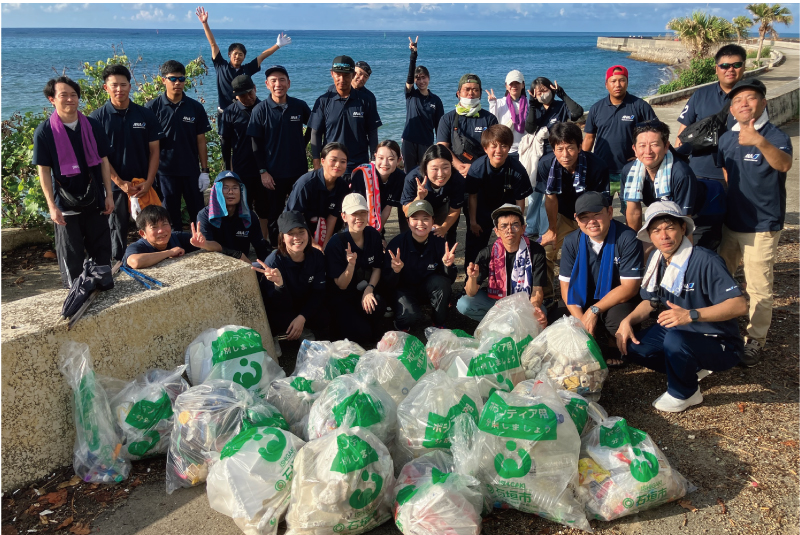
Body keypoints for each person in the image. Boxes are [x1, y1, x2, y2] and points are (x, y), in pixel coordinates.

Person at [616, 201, 747, 412]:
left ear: (683, 228)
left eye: (670, 228)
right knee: (632, 346)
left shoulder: (706, 260)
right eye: (656, 230)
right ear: (650, 235)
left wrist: (691, 315)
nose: (664, 236)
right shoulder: (656, 259)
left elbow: (739, 305)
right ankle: (691, 367)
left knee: (675, 340)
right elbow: (650, 301)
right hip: (678, 329)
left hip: (717, 339)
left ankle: (686, 392)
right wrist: (627, 321)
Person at [717, 78, 793, 367]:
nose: (743, 104)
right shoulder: (727, 138)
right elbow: (726, 171)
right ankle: (722, 328)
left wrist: (759, 141)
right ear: (732, 109)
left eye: (750, 98)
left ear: (763, 102)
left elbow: (784, 165)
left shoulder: (774, 135)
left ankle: (755, 341)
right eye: (737, 101)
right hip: (731, 223)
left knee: (758, 286)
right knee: (722, 278)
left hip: (762, 225)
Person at [34, 76, 114, 288]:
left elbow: (104, 161)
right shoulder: (44, 132)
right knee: (71, 253)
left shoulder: (92, 126)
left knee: (102, 248)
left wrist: (109, 194)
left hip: (95, 197)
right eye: (64, 95)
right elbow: (43, 170)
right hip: (65, 201)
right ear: (52, 99)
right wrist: (51, 206)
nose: (70, 99)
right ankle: (76, 291)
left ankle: (103, 286)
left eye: (74, 95)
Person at [555, 192, 644, 366]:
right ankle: (593, 336)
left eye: (597, 214)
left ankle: (612, 342)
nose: (591, 222)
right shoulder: (572, 241)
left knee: (619, 319)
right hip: (584, 296)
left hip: (618, 299)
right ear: (576, 219)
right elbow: (565, 286)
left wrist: (593, 311)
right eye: (584, 217)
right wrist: (581, 320)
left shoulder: (627, 238)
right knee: (557, 319)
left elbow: (630, 287)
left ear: (610, 212)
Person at [90, 64, 163, 262]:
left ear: (130, 87)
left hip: (144, 183)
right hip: (114, 187)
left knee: (152, 225)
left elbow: (154, 151)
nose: (119, 89)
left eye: (123, 85)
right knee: (117, 228)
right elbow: (99, 156)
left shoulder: (145, 115)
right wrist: (120, 182)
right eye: (114, 85)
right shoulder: (96, 119)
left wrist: (149, 181)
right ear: (106, 88)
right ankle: (118, 265)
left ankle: (156, 259)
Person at [537, 122, 610, 302]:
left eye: (570, 148)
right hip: (561, 213)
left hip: (588, 215)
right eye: (559, 149)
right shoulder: (546, 165)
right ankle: (546, 297)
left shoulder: (597, 166)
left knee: (596, 252)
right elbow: (550, 197)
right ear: (553, 149)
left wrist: (589, 226)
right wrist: (552, 229)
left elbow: (600, 203)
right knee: (544, 251)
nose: (565, 155)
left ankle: (596, 295)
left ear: (580, 147)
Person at [248, 65, 312, 245]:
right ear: (267, 84)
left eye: (282, 80)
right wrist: (263, 171)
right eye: (274, 81)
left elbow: (314, 127)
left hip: (298, 171)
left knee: (300, 211)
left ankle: (301, 245)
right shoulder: (260, 110)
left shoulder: (299, 106)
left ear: (289, 83)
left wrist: (303, 143)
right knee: (274, 214)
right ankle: (278, 249)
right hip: (272, 174)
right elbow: (255, 144)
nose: (278, 84)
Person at [144, 60, 212, 228]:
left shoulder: (195, 107)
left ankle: (202, 246)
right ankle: (173, 248)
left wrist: (205, 171)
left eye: (181, 79)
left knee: (198, 213)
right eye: (173, 79)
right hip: (164, 172)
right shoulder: (152, 108)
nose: (177, 83)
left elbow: (201, 141)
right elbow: (146, 144)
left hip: (191, 170)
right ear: (163, 81)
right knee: (169, 215)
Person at [458, 204, 548, 325]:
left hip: (524, 303)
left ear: (523, 228)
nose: (509, 230)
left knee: (540, 314)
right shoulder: (487, 253)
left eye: (515, 225)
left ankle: (510, 324)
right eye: (504, 226)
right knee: (464, 304)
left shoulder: (536, 251)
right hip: (496, 302)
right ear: (497, 231)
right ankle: (500, 324)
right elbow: (471, 292)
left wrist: (535, 307)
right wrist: (472, 278)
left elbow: (537, 290)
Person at [583, 65, 657, 211]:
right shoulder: (596, 108)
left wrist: (642, 156)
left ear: (627, 82)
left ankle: (631, 234)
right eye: (613, 81)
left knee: (631, 210)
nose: (618, 85)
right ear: (606, 84)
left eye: (622, 80)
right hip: (602, 170)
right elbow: (589, 138)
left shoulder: (640, 106)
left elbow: (655, 134)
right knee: (601, 210)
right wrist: (583, 161)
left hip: (631, 169)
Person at [196, 6, 290, 119]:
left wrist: (278, 45)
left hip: (245, 111)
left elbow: (262, 56)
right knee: (225, 136)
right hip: (225, 111)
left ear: (244, 57)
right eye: (235, 54)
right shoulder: (221, 65)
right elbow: (213, 44)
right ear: (229, 54)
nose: (237, 57)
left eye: (241, 54)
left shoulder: (247, 69)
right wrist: (205, 23)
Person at [383, 200, 458, 331]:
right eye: (415, 219)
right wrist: (395, 271)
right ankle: (401, 323)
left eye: (425, 219)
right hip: (404, 290)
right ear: (407, 221)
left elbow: (449, 280)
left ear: (432, 220)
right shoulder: (397, 244)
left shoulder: (439, 242)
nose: (420, 223)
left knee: (441, 283)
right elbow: (387, 284)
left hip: (427, 287)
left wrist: (448, 266)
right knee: (409, 317)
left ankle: (439, 322)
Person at [675, 44, 746, 184]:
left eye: (736, 65)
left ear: (744, 66)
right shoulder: (700, 95)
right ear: (716, 69)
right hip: (698, 173)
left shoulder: (752, 99)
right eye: (724, 65)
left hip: (738, 174)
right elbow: (682, 133)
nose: (730, 69)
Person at [253, 210, 328, 341]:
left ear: (308, 234)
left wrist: (302, 317)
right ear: (282, 237)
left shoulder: (316, 256)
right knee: (275, 320)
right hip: (283, 308)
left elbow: (319, 292)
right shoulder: (273, 262)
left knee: (325, 316)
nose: (297, 237)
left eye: (301, 232)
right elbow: (274, 303)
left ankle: (300, 330)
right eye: (291, 233)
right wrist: (279, 284)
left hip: (304, 306)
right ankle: (280, 336)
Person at [465, 124, 533, 265]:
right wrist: (473, 222)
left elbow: (520, 198)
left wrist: (519, 223)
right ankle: (472, 278)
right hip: (481, 208)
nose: (498, 151)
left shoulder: (517, 169)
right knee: (475, 245)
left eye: (503, 146)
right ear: (485, 148)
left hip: (506, 208)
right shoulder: (477, 168)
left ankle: (508, 274)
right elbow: (472, 196)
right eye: (493, 146)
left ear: (509, 147)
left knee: (509, 243)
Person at [324, 193, 387, 345]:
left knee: (378, 304)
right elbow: (341, 285)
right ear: (344, 216)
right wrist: (351, 265)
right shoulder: (335, 243)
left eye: (363, 213)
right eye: (354, 214)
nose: (359, 218)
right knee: (362, 335)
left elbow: (377, 267)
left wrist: (370, 289)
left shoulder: (373, 234)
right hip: (342, 297)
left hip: (363, 290)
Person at [622, 121, 699, 236]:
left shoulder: (681, 174)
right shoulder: (629, 172)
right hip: (662, 219)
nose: (648, 151)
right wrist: (634, 246)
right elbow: (633, 213)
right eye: (642, 145)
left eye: (654, 145)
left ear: (666, 146)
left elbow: (685, 223)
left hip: (697, 218)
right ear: (634, 148)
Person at [309, 55, 381, 174]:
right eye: (338, 75)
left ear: (352, 75)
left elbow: (372, 133)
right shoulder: (323, 101)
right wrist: (317, 162)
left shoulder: (366, 100)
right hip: (331, 165)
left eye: (346, 75)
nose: (342, 79)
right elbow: (315, 133)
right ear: (332, 74)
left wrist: (373, 161)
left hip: (359, 165)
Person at [285, 142, 350, 250]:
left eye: (343, 161)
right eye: (333, 160)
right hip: (297, 229)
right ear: (322, 161)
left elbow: (333, 216)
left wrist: (325, 244)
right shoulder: (306, 184)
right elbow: (294, 217)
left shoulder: (342, 186)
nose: (338, 165)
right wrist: (313, 244)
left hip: (323, 229)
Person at [196, 170, 271, 262]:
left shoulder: (249, 216)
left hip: (242, 265)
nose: (230, 192)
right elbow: (207, 248)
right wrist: (236, 255)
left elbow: (260, 246)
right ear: (216, 191)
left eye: (235, 188)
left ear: (241, 191)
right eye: (225, 188)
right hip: (216, 264)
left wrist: (267, 269)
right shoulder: (204, 216)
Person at [400, 144, 464, 247]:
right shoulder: (413, 178)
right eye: (434, 169)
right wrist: (419, 198)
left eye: (445, 167)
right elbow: (406, 211)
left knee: (441, 236)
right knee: (409, 238)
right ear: (425, 168)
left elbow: (455, 209)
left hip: (441, 204)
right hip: (414, 207)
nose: (440, 174)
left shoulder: (457, 179)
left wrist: (444, 228)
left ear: (451, 166)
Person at [436, 73, 498, 177]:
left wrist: (476, 168)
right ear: (458, 93)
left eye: (475, 90)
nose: (471, 93)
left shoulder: (490, 119)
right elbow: (442, 147)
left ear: (480, 94)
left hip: (483, 172)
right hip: (456, 173)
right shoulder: (447, 119)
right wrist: (459, 166)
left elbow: (495, 148)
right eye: (467, 89)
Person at [123, 205, 214, 269]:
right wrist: (169, 252)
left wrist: (204, 244)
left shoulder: (177, 237)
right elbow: (135, 262)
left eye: (165, 224)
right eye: (154, 227)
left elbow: (218, 246)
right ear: (143, 234)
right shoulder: (136, 247)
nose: (161, 230)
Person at [402, 36, 444, 170]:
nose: (421, 81)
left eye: (423, 78)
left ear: (429, 78)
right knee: (409, 174)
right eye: (418, 79)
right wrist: (413, 55)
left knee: (424, 174)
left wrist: (440, 148)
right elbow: (409, 77)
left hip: (426, 143)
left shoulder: (436, 100)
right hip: (409, 141)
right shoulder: (411, 94)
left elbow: (439, 127)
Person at [219, 75, 260, 212]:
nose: (248, 98)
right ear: (236, 96)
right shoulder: (230, 112)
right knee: (242, 206)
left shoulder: (265, 108)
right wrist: (227, 168)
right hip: (241, 167)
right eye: (243, 95)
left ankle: (263, 234)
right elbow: (225, 142)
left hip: (265, 167)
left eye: (250, 93)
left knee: (265, 208)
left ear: (255, 88)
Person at [349, 139, 406, 237]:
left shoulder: (400, 178)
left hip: (377, 221)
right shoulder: (362, 174)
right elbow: (356, 208)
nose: (385, 163)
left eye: (391, 159)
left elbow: (388, 208)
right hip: (356, 219)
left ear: (399, 160)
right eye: (381, 158)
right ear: (375, 157)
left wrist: (376, 235)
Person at [524, 76, 584, 154]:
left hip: (558, 147)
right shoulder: (534, 109)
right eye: (539, 93)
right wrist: (532, 105)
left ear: (551, 89)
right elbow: (530, 129)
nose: (543, 95)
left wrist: (562, 95)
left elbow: (577, 113)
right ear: (534, 95)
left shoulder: (561, 106)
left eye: (545, 90)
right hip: (539, 149)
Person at [486, 70, 528, 155]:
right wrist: (493, 103)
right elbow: (494, 124)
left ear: (523, 85)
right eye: (511, 84)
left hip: (526, 149)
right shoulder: (500, 103)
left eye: (517, 83)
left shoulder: (530, 104)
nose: (514, 86)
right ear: (506, 86)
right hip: (507, 149)